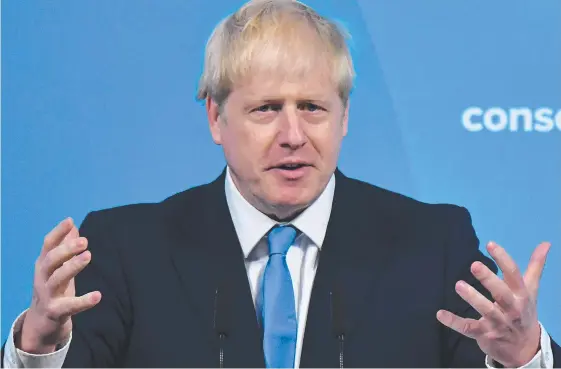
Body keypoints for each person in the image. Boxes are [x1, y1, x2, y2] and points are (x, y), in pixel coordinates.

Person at [2, 0, 559, 367]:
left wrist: (521, 355)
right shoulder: (127, 246)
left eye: (313, 108)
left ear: (344, 119)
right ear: (216, 119)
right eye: (267, 109)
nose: (293, 135)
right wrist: (39, 348)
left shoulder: (432, 241)